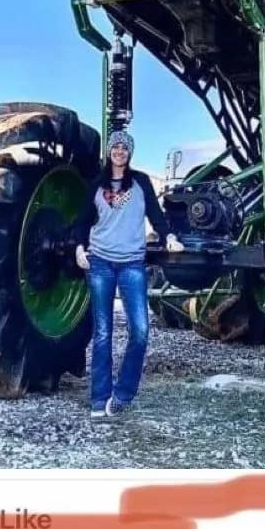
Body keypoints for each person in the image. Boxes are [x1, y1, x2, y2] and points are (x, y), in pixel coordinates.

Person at [75, 130, 184, 418]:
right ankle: (99, 399)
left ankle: (123, 394)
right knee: (102, 333)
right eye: (116, 147)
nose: (120, 151)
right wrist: (79, 247)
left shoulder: (141, 182)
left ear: (130, 153)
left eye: (125, 147)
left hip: (132, 264)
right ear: (109, 151)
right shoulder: (96, 184)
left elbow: (156, 215)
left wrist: (168, 236)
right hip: (100, 263)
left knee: (140, 330)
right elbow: (83, 220)